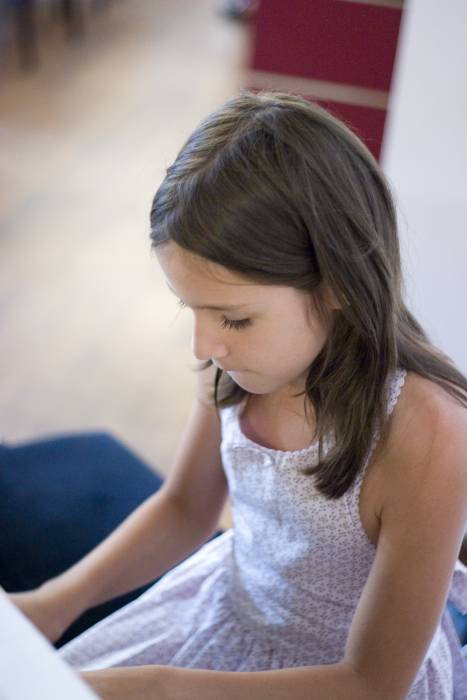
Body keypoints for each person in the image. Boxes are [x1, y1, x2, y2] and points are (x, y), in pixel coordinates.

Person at [10, 91, 467, 699]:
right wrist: (50, 605)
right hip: (229, 608)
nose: (205, 343)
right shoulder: (239, 366)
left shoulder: (429, 435)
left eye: (234, 318)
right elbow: (184, 509)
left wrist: (159, 689)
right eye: (190, 308)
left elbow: (370, 683)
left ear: (338, 285)